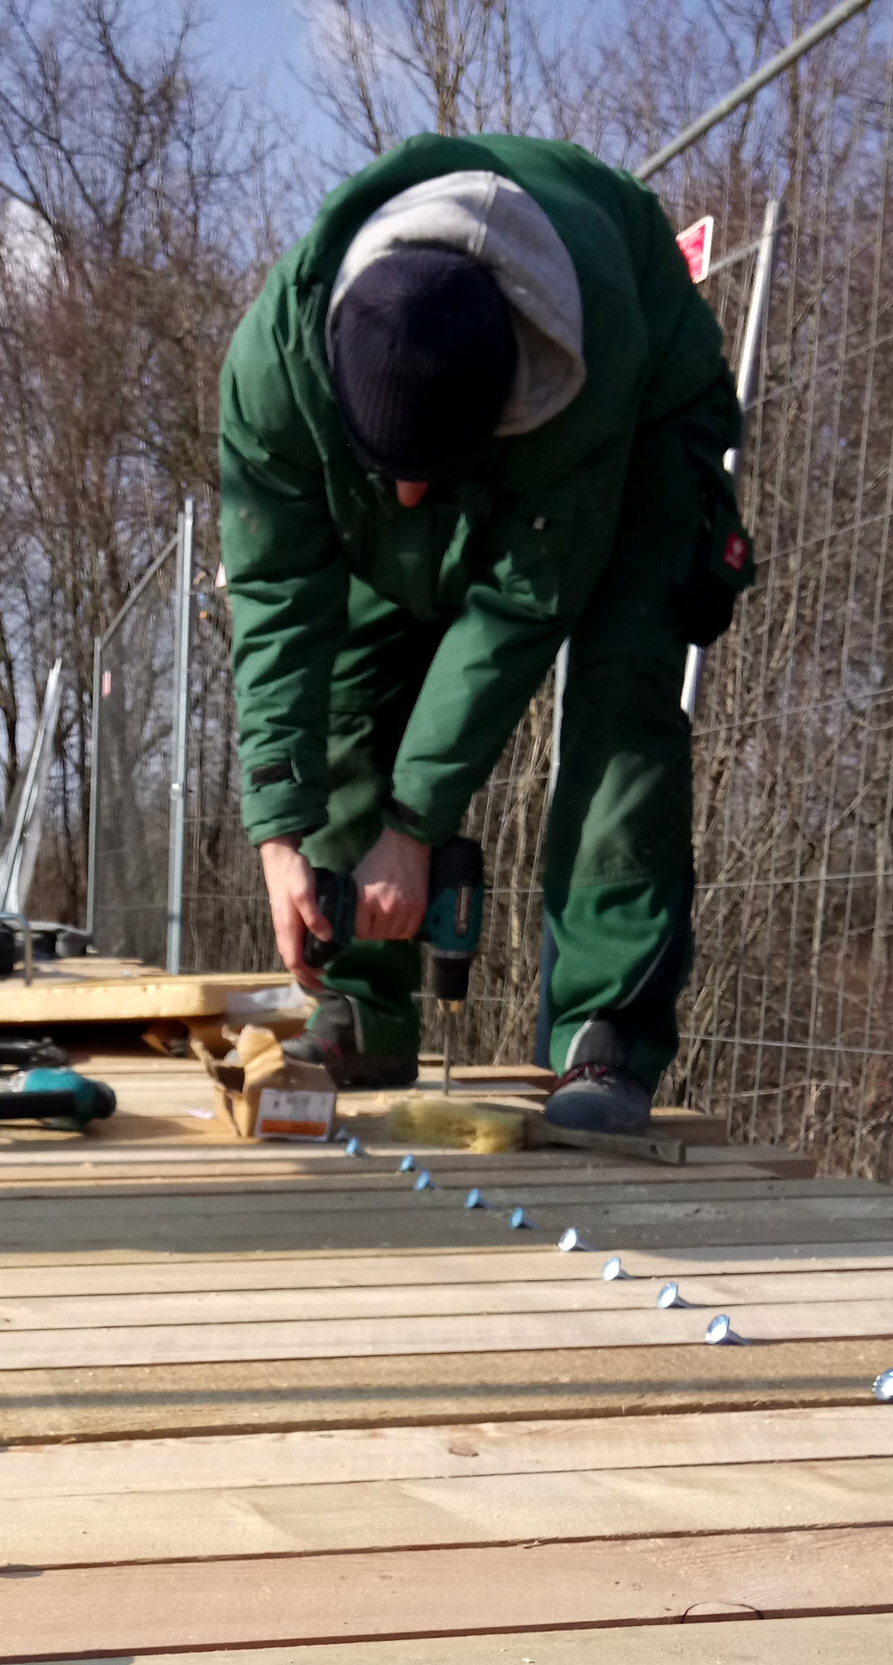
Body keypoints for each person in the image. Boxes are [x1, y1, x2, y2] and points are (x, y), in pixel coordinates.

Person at [218, 137, 754, 1131]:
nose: (413, 498)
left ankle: (605, 1035)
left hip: (635, 406)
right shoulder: (274, 369)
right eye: (391, 476)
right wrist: (280, 832)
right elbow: (280, 590)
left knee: (623, 691)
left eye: (431, 471)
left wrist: (416, 827)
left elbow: (519, 607)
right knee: (354, 668)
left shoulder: (575, 378)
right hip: (445, 412)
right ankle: (362, 1005)